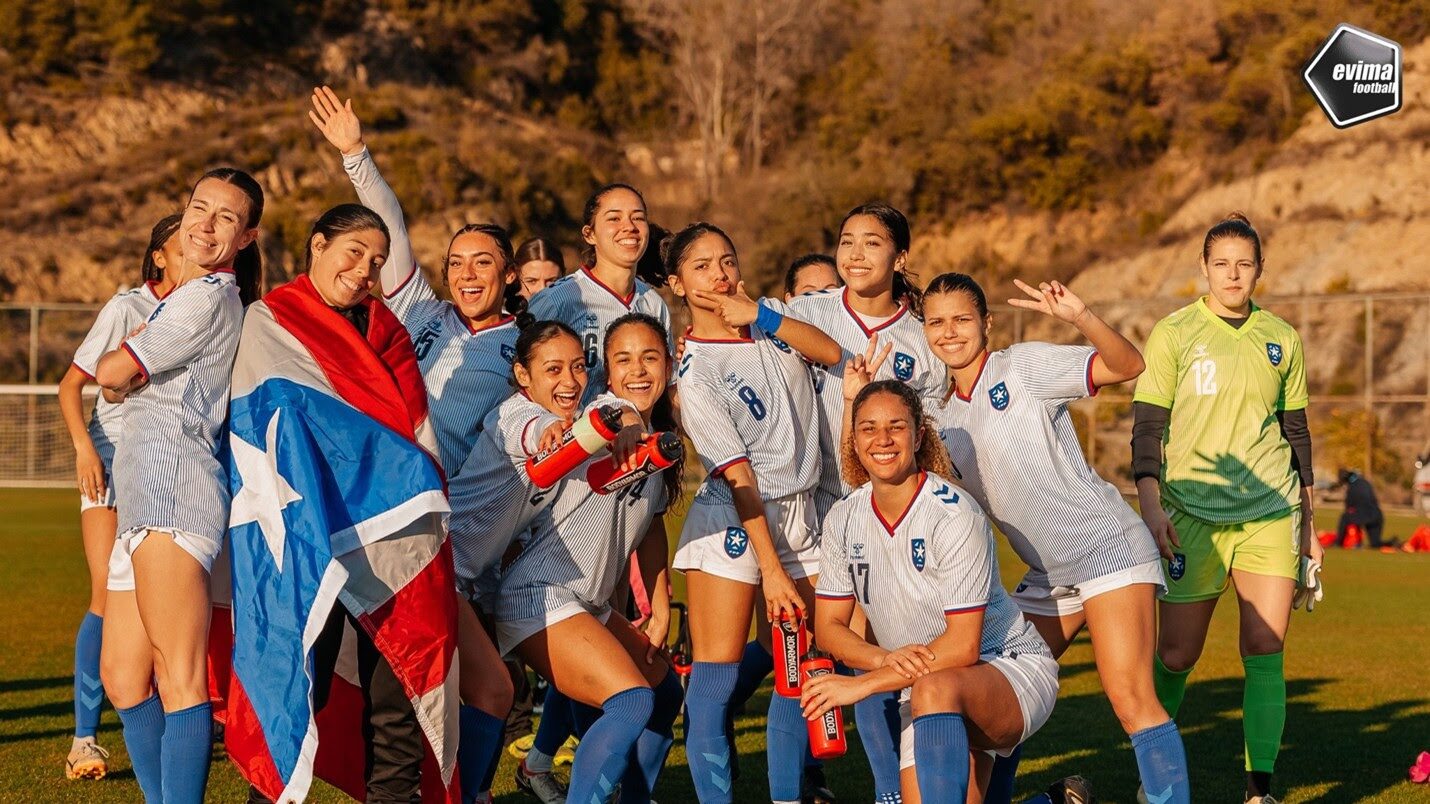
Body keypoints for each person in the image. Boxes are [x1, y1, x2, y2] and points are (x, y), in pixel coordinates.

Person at [309, 86, 529, 802]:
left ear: (510, 280)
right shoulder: (415, 310)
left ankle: (456, 791)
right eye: (458, 262)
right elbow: (390, 232)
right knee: (348, 678)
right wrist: (355, 156)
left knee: (463, 688)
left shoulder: (523, 354)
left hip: (446, 536)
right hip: (371, 514)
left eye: (483, 264)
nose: (466, 274)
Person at [917, 272, 1189, 804]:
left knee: (1131, 699)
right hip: (1047, 574)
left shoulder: (1022, 367)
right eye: (936, 322)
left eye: (962, 319)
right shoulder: (940, 416)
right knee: (997, 692)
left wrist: (1081, 318)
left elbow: (1128, 365)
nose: (950, 333)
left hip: (1106, 550)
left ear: (986, 323)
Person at [227, 203, 456, 803]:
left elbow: (411, 434)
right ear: (317, 246)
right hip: (308, 530)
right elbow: (268, 422)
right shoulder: (269, 321)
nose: (364, 270)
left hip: (390, 533)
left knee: (397, 696)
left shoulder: (389, 332)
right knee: (300, 676)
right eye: (353, 252)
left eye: (377, 262)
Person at [1133, 212, 1319, 804]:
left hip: (1270, 510)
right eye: (1222, 263)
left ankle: (1258, 790)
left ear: (1259, 269)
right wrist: (1151, 503)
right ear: (1204, 268)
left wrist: (1309, 525)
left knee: (1265, 649)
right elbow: (1148, 428)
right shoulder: (1175, 333)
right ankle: (1153, 773)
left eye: (1245, 264)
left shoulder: (1282, 338)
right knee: (1175, 654)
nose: (1233, 274)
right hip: (1190, 516)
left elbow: (1297, 434)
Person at [800, 378, 1057, 804]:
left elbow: (962, 647)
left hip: (1005, 665)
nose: (882, 439)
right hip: (919, 680)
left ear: (919, 435)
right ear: (855, 438)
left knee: (933, 689)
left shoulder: (953, 515)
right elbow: (828, 628)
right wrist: (887, 659)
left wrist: (862, 685)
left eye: (896, 426)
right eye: (868, 428)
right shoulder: (844, 518)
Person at [94, 167, 262, 803]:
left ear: (246, 237)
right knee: (123, 678)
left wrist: (125, 368)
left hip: (173, 494)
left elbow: (113, 369)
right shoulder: (180, 299)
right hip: (141, 496)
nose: (206, 223)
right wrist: (124, 372)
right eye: (199, 207)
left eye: (226, 217)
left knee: (181, 678)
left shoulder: (206, 296)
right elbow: (111, 379)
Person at [665, 221, 841, 804]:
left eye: (727, 259)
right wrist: (770, 568)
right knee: (715, 681)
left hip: (803, 516)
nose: (719, 273)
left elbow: (831, 352)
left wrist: (761, 317)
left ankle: (788, 795)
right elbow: (738, 475)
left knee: (805, 667)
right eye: (702, 266)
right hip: (736, 525)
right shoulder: (695, 371)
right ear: (678, 285)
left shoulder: (767, 318)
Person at [779, 203, 945, 804]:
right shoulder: (810, 311)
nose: (854, 254)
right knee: (819, 650)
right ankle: (822, 787)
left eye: (871, 244)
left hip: (892, 517)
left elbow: (933, 431)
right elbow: (757, 332)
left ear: (900, 258)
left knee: (883, 653)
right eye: (846, 241)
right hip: (818, 513)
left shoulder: (921, 338)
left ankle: (893, 788)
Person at [501, 313, 685, 804]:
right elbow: (613, 415)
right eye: (622, 360)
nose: (638, 370)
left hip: (589, 605)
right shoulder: (604, 416)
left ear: (669, 363)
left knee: (664, 696)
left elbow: (650, 530)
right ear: (606, 371)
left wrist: (660, 606)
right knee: (630, 702)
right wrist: (623, 422)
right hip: (539, 595)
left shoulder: (660, 438)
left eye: (650, 357)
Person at [56, 212, 181, 781]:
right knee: (107, 597)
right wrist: (85, 451)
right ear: (158, 256)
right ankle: (85, 739)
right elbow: (71, 384)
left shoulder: (205, 309)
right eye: (181, 250)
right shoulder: (127, 307)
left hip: (171, 477)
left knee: (163, 606)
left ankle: (177, 716)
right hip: (108, 469)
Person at [527, 182, 672, 404]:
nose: (629, 227)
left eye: (638, 217)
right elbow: (521, 383)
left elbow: (665, 384)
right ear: (589, 234)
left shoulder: (653, 304)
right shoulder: (557, 300)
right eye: (614, 218)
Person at [1335, 469, 1384, 549]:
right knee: (1375, 543)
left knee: (1345, 518)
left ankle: (1338, 543)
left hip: (1365, 514)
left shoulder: (1352, 488)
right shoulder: (1365, 482)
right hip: (1377, 515)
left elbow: (1349, 507)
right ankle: (1393, 543)